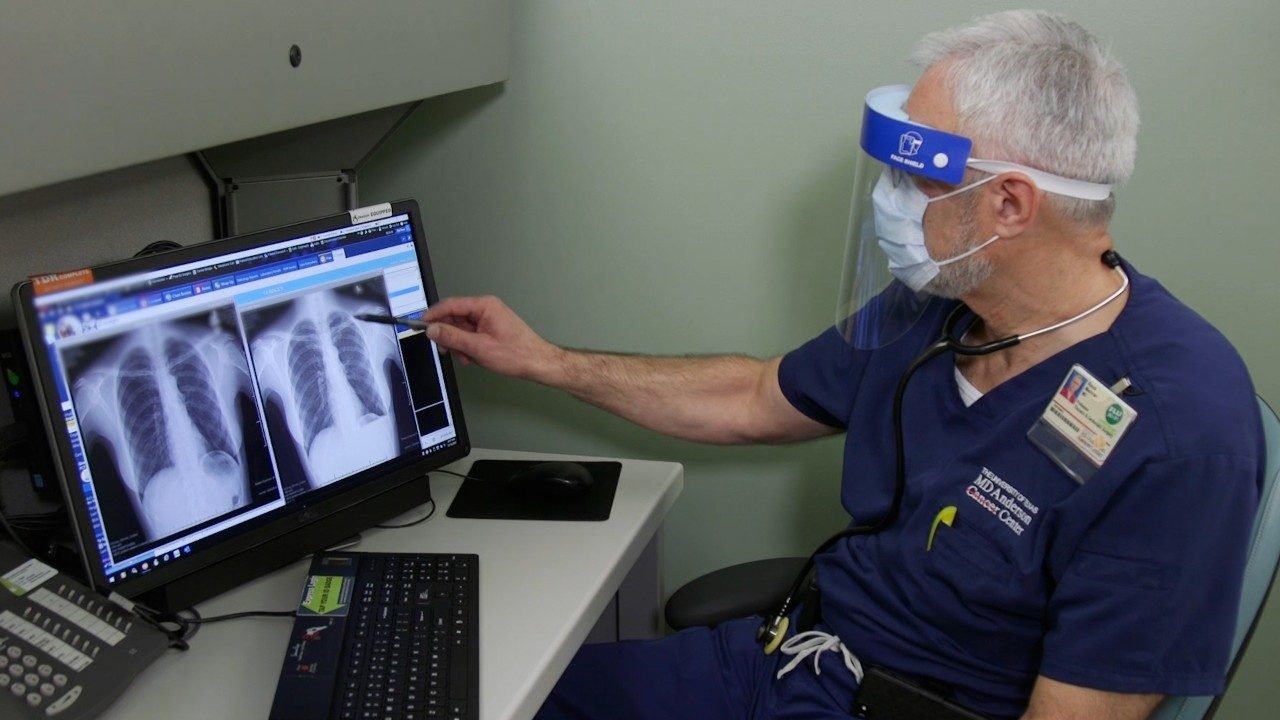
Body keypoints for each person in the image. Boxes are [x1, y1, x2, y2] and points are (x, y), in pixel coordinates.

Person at [423, 10, 1263, 720]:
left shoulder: (1180, 433)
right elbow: (756, 396)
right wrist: (544, 362)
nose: (887, 199)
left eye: (912, 176)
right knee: (484, 697)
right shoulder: (942, 302)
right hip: (789, 657)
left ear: (1009, 204)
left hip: (892, 704)